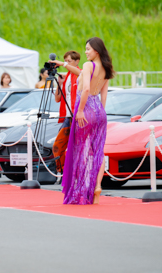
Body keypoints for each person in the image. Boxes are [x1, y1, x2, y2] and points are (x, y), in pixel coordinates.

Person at [62, 37, 115, 205]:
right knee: (98, 150)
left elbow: (85, 89)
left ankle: (82, 189)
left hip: (86, 109)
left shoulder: (88, 65)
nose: (85, 52)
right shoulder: (106, 68)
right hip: (100, 111)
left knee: (82, 150)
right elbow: (104, 94)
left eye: (88, 49)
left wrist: (80, 111)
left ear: (96, 51)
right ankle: (97, 187)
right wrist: (101, 112)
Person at [50, 51, 82, 176]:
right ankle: (63, 172)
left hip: (76, 116)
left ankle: (72, 173)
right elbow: (58, 99)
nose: (66, 64)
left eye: (69, 61)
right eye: (66, 61)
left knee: (76, 147)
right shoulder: (67, 76)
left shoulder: (80, 74)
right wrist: (60, 83)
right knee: (57, 147)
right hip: (68, 117)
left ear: (76, 61)